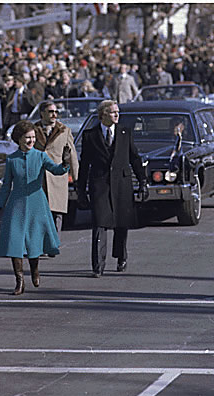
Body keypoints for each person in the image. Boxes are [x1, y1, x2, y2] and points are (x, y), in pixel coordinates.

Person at [0, 120, 71, 295]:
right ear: (19, 139)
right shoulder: (12, 159)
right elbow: (6, 185)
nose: (31, 140)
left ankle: (35, 270)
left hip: (37, 203)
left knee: (34, 241)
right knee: (15, 242)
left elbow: (56, 170)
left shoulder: (41, 156)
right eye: (27, 137)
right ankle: (19, 281)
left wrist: (65, 164)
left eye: (33, 137)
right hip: (17, 204)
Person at [77, 100, 148, 278]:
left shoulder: (125, 133)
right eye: (112, 112)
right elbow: (84, 164)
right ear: (102, 115)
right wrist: (81, 190)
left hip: (121, 184)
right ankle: (98, 264)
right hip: (99, 185)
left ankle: (121, 256)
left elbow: (135, 158)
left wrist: (143, 182)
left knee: (121, 223)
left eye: (117, 112)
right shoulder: (90, 135)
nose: (117, 115)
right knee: (100, 223)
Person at [33, 101, 79, 240]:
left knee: (57, 212)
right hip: (38, 177)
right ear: (42, 113)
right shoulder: (33, 130)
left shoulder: (64, 130)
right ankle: (40, 242)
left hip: (58, 176)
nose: (54, 115)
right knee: (39, 212)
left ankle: (54, 242)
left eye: (56, 112)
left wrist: (76, 178)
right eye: (51, 112)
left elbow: (72, 155)